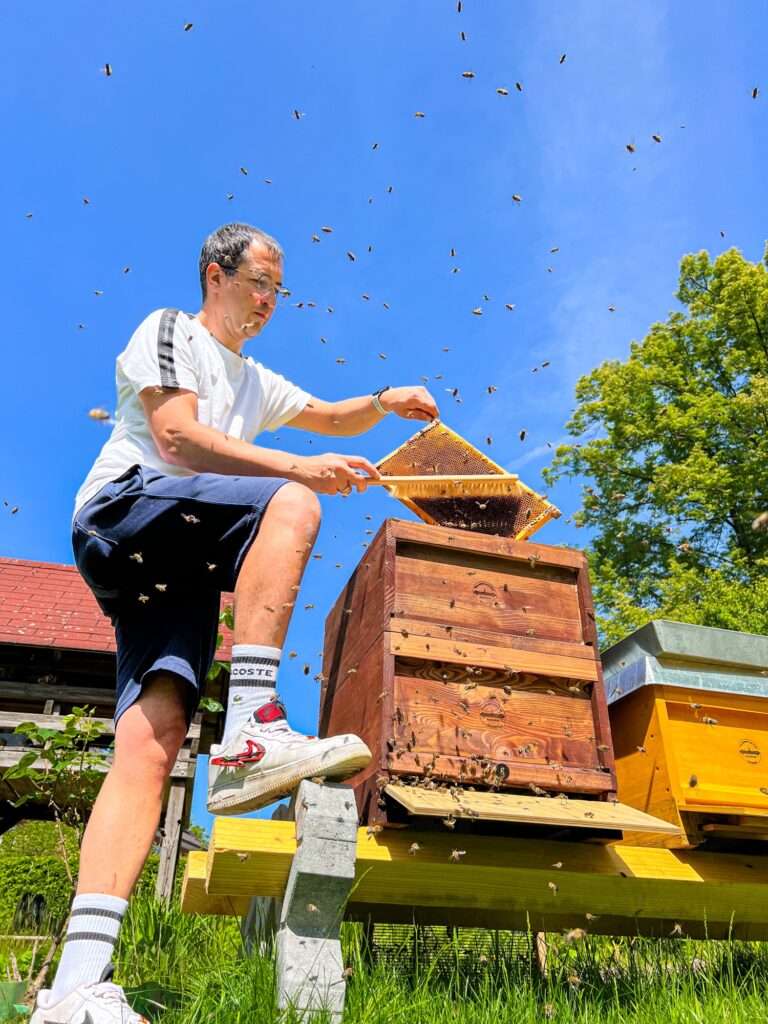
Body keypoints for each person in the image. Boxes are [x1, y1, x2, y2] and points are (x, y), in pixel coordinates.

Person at [32, 222, 439, 1023]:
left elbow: (328, 416)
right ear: (214, 275)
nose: (268, 302)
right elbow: (177, 435)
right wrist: (296, 469)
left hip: (176, 565)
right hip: (128, 510)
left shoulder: (255, 382)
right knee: (289, 502)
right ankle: (254, 731)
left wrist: (385, 400)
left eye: (278, 292)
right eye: (258, 284)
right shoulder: (170, 330)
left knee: (152, 739)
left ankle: (74, 988)